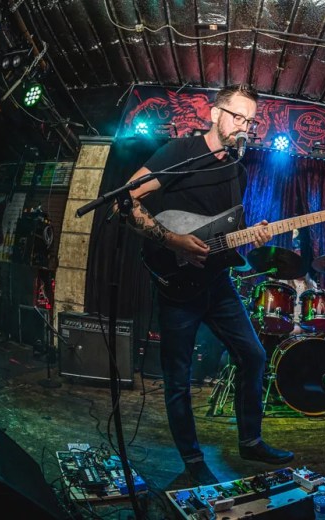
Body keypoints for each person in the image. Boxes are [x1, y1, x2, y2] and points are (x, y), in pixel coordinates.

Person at [123, 84, 294, 480]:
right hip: (176, 285)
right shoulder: (179, 152)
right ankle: (193, 461)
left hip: (217, 284)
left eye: (251, 122)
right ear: (215, 113)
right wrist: (172, 240)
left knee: (253, 355)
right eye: (238, 117)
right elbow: (129, 200)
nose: (245, 127)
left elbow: (229, 228)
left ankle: (250, 442)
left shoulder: (238, 169)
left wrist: (255, 233)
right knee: (178, 378)